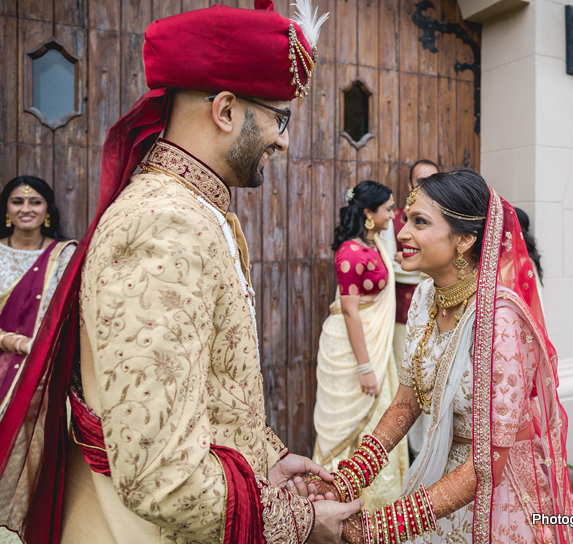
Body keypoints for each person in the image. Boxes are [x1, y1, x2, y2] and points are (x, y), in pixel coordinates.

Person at [0, 3, 364, 543]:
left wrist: (267, 459)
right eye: (279, 118)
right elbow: (159, 476)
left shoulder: (198, 211)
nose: (285, 141)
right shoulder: (163, 224)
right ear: (224, 110)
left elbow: (209, 388)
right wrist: (297, 524)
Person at [307, 171, 573, 544]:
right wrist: (348, 477)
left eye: (419, 222)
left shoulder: (498, 321)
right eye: (405, 219)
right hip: (439, 478)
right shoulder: (424, 298)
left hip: (496, 496)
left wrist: (374, 529)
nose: (402, 233)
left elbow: (487, 465)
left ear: (466, 239)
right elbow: (407, 403)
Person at [312, 180, 409, 509]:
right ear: (369, 213)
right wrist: (364, 367)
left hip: (373, 343)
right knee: (351, 422)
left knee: (376, 420)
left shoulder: (377, 244)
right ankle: (334, 499)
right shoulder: (351, 252)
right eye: (387, 208)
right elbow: (351, 311)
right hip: (352, 348)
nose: (393, 214)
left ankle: (376, 505)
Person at [0, 176, 76, 414]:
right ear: (6, 210)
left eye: (35, 202)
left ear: (47, 210)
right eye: (17, 201)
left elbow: (73, 318)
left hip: (43, 370)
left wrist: (39, 350)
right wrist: (19, 343)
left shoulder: (64, 255)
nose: (25, 209)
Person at [380, 159, 438, 459]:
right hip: (405, 316)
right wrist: (428, 270)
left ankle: (434, 450)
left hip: (442, 316)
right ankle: (415, 454)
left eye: (432, 179)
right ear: (409, 185)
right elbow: (393, 261)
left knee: (438, 385)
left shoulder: (447, 219)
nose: (425, 186)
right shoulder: (397, 219)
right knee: (411, 386)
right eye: (420, 181)